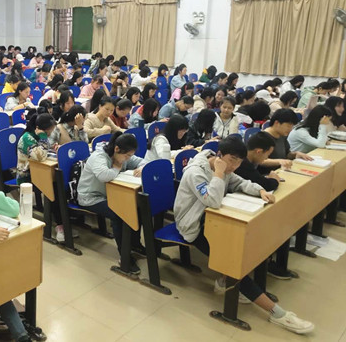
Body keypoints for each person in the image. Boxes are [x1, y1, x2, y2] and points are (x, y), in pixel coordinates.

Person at [174, 137, 313, 334]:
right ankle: (278, 313)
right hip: (191, 226)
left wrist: (261, 190)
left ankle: (224, 282)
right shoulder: (195, 172)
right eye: (231, 160)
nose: (234, 166)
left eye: (239, 162)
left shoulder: (227, 169)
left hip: (211, 219)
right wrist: (219, 174)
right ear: (220, 155)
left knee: (245, 242)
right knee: (232, 260)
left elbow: (241, 182)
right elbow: (213, 200)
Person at [77, 132, 147, 274]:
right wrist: (116, 168)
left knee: (136, 208)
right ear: (116, 149)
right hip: (90, 197)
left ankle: (135, 244)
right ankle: (125, 256)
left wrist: (141, 168)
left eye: (130, 156)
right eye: (126, 156)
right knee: (119, 214)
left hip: (109, 195)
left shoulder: (122, 154)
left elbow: (142, 161)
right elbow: (104, 176)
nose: (128, 159)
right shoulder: (99, 156)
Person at [16, 113, 56, 185]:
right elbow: (40, 157)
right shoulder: (27, 138)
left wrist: (52, 148)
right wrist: (43, 136)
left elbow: (43, 149)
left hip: (38, 171)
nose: (49, 135)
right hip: (26, 177)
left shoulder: (38, 135)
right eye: (48, 132)